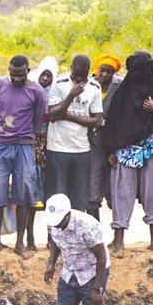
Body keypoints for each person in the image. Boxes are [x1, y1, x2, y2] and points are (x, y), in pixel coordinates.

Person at [103, 51, 153, 256]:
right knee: (122, 193)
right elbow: (112, 121)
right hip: (125, 149)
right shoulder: (123, 92)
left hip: (152, 148)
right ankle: (118, 241)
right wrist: (111, 148)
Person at [0, 55, 47, 257]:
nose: (17, 79)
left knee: (25, 192)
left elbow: (38, 122)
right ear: (8, 71)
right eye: (13, 75)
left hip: (24, 145)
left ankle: (20, 242)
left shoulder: (37, 91)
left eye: (20, 75)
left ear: (28, 71)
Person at [45, 54, 103, 211]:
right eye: (75, 76)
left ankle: (75, 235)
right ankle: (54, 236)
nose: (78, 80)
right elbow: (53, 115)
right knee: (57, 198)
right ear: (70, 69)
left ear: (88, 72)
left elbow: (97, 120)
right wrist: (71, 95)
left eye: (82, 77)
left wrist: (68, 116)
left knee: (79, 198)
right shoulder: (58, 83)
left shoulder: (94, 87)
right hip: (57, 148)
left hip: (81, 149)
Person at [88, 53, 124, 219]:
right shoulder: (88, 84)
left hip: (113, 137)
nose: (104, 75)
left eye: (109, 72)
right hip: (92, 139)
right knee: (93, 182)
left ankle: (118, 232)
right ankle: (94, 232)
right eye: (102, 70)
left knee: (115, 185)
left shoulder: (120, 85)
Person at [27, 56, 57, 249]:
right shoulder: (29, 93)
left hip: (52, 149)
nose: (45, 79)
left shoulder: (57, 95)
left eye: (49, 75)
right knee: (29, 197)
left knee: (51, 197)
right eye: (43, 75)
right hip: (30, 148)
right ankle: (29, 238)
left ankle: (51, 239)